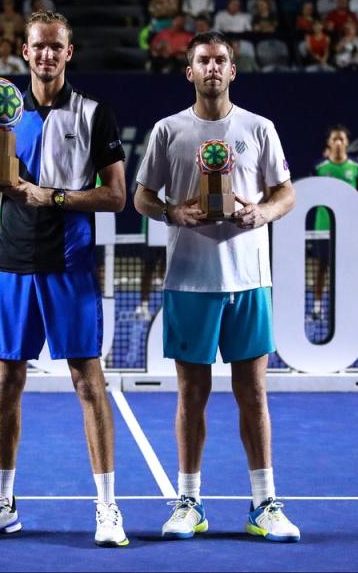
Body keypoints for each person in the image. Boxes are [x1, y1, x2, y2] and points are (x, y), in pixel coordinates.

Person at [0, 11, 129, 547]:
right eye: (39, 47)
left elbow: (117, 197)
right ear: (25, 53)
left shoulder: (94, 115)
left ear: (68, 53)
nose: (48, 55)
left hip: (70, 264)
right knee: (6, 380)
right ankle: (4, 502)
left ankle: (107, 509)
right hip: (11, 262)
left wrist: (52, 196)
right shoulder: (1, 117)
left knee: (87, 381)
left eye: (57, 47)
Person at [133, 31, 299, 542]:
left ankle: (264, 505)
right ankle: (190, 502)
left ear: (233, 70)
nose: (211, 67)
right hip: (189, 281)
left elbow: (285, 192)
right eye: (202, 60)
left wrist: (262, 213)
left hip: (249, 280)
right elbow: (140, 197)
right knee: (192, 394)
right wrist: (171, 212)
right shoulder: (167, 131)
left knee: (253, 393)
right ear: (189, 72)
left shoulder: (259, 128)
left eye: (220, 60)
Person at [311, 125, 358, 321]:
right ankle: (317, 306)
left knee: (346, 269)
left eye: (342, 139)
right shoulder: (319, 168)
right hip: (323, 228)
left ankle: (345, 306)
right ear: (329, 143)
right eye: (335, 139)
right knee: (321, 268)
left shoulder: (356, 169)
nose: (339, 143)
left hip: (346, 231)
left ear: (347, 143)